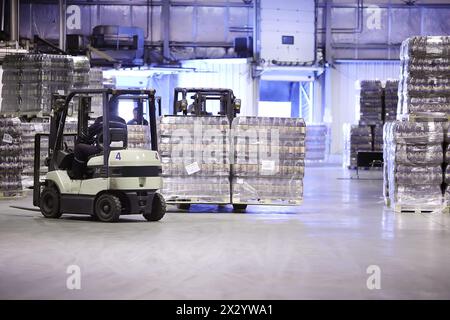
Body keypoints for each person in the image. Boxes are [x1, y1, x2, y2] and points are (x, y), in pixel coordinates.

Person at [72, 113, 127, 179]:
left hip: (102, 150)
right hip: (121, 149)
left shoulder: (101, 120)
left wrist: (83, 139)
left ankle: (78, 176)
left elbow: (88, 133)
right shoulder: (123, 121)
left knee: (79, 148)